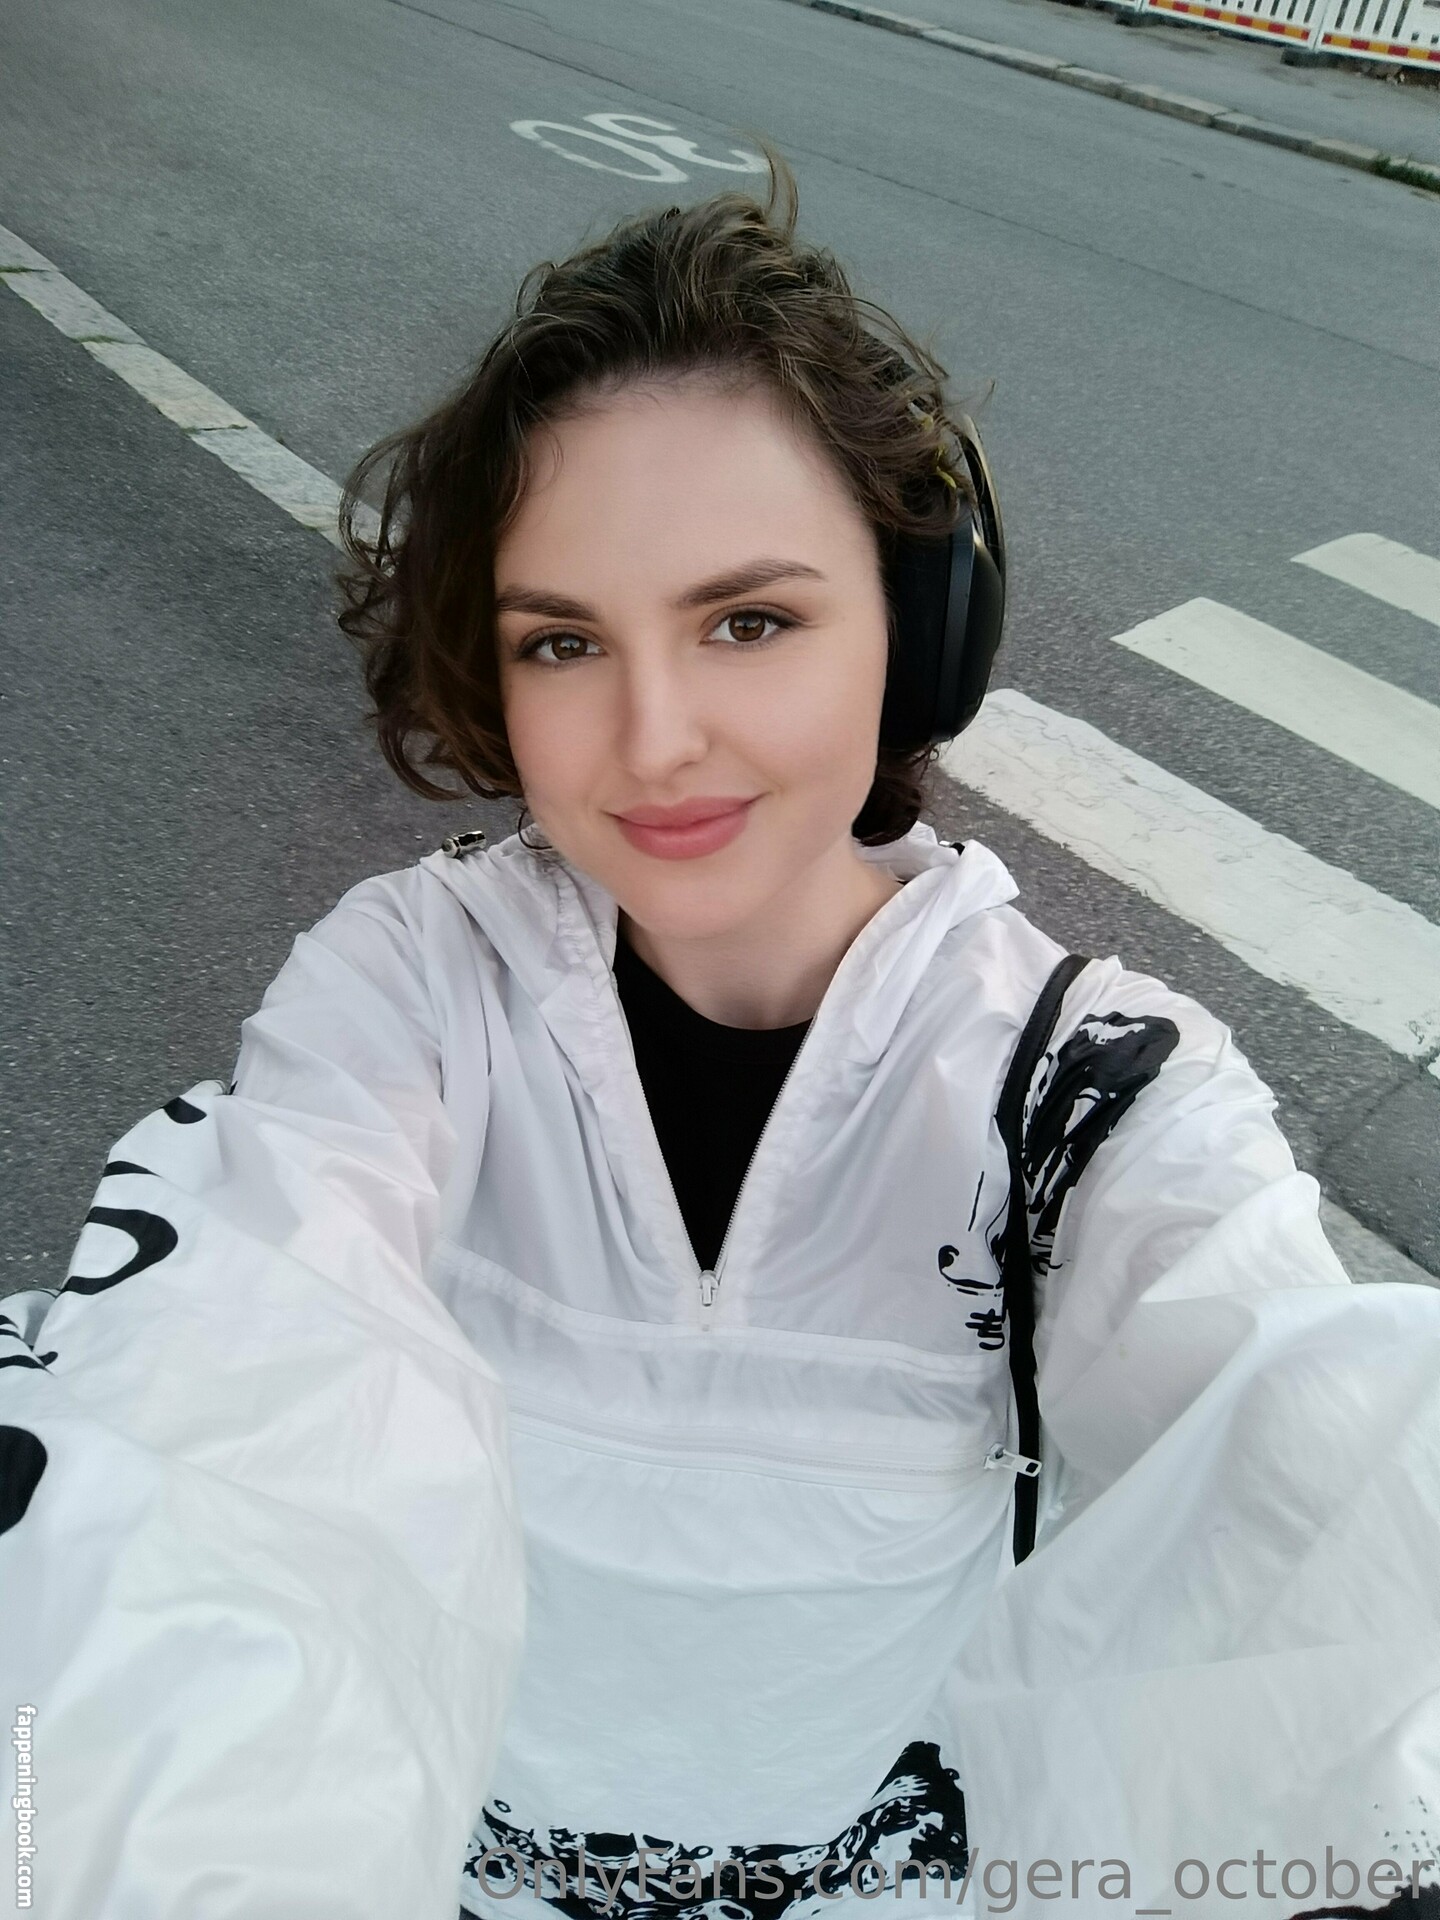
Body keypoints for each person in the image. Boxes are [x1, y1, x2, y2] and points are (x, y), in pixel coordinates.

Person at [2, 157, 1438, 1920]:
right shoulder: (411, 992)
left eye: (749, 620)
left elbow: (1321, 1448)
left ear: (917, 637)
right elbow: (217, 1405)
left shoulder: (1095, 1095)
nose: (654, 737)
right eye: (562, 643)